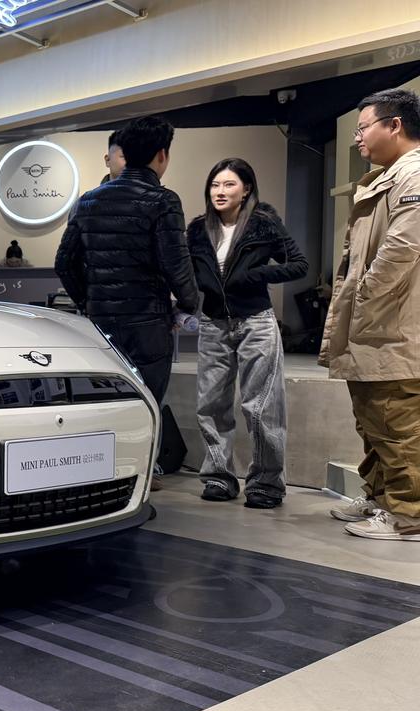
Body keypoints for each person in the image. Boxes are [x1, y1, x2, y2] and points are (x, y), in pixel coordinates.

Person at [54, 115, 199, 490]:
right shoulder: (163, 200)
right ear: (161, 155)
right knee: (146, 402)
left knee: (101, 403)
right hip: (149, 323)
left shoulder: (89, 201)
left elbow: (64, 263)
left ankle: (96, 475)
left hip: (101, 324)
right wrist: (189, 304)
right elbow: (176, 264)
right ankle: (139, 479)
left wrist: (89, 302)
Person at [321, 87, 420, 541]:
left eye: (363, 128)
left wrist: (363, 295)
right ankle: (382, 499)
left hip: (394, 328)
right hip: (377, 326)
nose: (357, 137)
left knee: (398, 424)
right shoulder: (389, 176)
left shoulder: (414, 175)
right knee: (376, 421)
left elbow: (403, 247)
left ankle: (408, 515)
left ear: (394, 125)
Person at [188, 158, 307, 509]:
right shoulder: (198, 229)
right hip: (213, 324)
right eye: (215, 185)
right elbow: (189, 273)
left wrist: (256, 275)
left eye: (229, 184)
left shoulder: (263, 223)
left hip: (255, 321)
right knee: (211, 405)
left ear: (246, 189)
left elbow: (299, 265)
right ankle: (218, 477)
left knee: (262, 406)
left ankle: (266, 483)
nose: (220, 191)